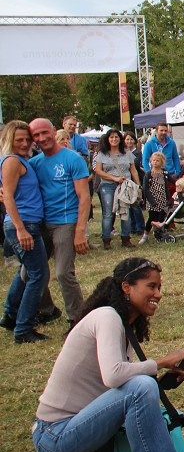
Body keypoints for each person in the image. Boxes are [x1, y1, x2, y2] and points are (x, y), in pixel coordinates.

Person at [31, 257, 184, 452]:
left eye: (159, 288)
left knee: (142, 386)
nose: (158, 294)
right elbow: (114, 376)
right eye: (151, 287)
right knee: (142, 386)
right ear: (126, 287)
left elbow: (119, 386)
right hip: (56, 434)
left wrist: (162, 381)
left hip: (80, 425)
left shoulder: (122, 325)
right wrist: (160, 362)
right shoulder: (107, 317)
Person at [27, 118, 91, 330]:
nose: (42, 138)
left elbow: (84, 197)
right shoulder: (34, 164)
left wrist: (80, 231)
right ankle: (47, 310)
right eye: (36, 135)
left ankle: (77, 319)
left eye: (45, 133)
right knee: (28, 273)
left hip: (66, 221)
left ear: (54, 131)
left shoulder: (72, 159)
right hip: (41, 223)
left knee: (63, 272)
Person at [2, 121, 49, 343]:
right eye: (18, 139)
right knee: (38, 275)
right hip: (23, 224)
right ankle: (23, 329)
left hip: (26, 222)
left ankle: (11, 315)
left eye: (27, 139)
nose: (24, 143)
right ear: (9, 139)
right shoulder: (12, 161)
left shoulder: (21, 160)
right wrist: (21, 229)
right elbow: (8, 196)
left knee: (27, 271)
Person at [94, 129, 140, 250]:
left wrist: (138, 185)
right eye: (111, 137)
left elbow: (133, 169)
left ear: (120, 139)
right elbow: (98, 171)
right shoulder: (102, 153)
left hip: (125, 185)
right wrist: (113, 178)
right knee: (108, 212)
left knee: (125, 211)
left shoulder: (127, 153)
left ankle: (126, 237)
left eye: (116, 137)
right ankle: (106, 238)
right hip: (108, 185)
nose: (114, 139)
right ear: (107, 139)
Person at [142, 152, 174, 244]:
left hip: (162, 199)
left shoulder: (164, 173)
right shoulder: (148, 174)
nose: (155, 162)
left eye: (157, 161)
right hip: (152, 199)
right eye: (153, 160)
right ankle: (145, 235)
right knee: (152, 218)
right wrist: (151, 201)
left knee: (161, 217)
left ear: (162, 162)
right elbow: (145, 188)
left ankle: (159, 233)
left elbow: (172, 180)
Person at [124, 132, 147, 244]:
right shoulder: (122, 153)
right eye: (127, 139)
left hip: (135, 180)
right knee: (128, 206)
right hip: (125, 181)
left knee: (135, 205)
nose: (129, 141)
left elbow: (136, 165)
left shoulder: (137, 153)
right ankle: (132, 226)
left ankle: (140, 226)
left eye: (131, 139)